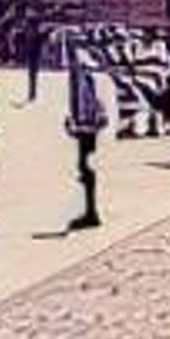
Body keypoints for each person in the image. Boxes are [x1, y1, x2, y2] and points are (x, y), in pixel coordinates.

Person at [65, 51, 106, 229]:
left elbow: (95, 107)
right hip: (86, 128)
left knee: (87, 169)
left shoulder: (86, 78)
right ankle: (90, 210)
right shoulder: (85, 76)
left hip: (87, 130)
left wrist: (81, 126)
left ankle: (91, 212)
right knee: (85, 169)